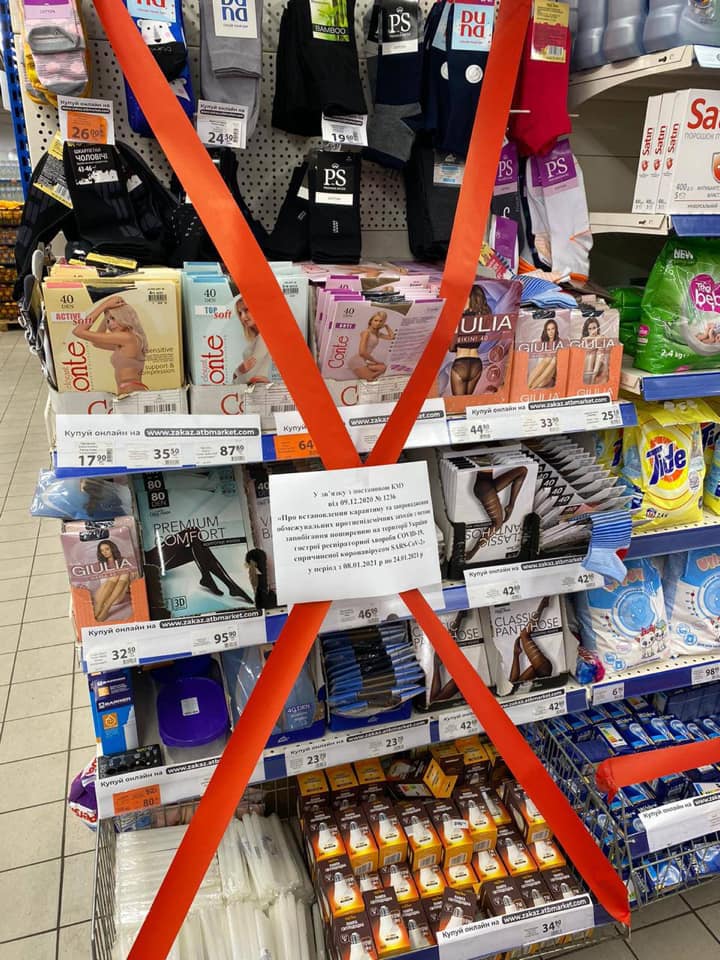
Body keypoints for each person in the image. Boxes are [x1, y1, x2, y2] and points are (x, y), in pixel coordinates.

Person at [72, 294, 148, 394]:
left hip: (131, 392)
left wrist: (104, 305)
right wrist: (107, 312)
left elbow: (78, 331)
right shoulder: (128, 340)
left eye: (113, 318)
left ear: (123, 316)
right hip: (130, 392)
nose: (110, 324)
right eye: (108, 321)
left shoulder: (126, 337)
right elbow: (96, 343)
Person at [465, 464, 529, 561]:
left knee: (523, 470)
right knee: (497, 524)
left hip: (487, 484)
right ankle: (472, 553)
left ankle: (511, 506)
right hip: (485, 488)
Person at [448, 284, 491, 396]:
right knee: (467, 401)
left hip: (460, 363)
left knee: (458, 403)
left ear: (470, 299)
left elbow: (451, 348)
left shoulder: (459, 318)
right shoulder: (484, 319)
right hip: (477, 364)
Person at [509, 596, 553, 684]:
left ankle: (516, 654)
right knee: (524, 635)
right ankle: (542, 606)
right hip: (543, 668)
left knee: (513, 685)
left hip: (540, 670)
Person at [232, 294, 273, 384]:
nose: (243, 317)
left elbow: (249, 373)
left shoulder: (264, 336)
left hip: (258, 387)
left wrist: (236, 373)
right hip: (255, 387)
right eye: (240, 313)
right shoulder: (259, 337)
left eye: (246, 310)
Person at [348, 311, 395, 381]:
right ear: (371, 321)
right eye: (376, 320)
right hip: (357, 360)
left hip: (364, 360)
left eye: (381, 321)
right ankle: (365, 374)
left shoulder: (377, 334)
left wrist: (386, 326)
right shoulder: (366, 333)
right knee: (371, 379)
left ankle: (365, 371)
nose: (378, 323)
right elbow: (362, 352)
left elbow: (392, 337)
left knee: (384, 367)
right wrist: (376, 361)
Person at [93, 539, 132, 622]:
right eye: (102, 550)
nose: (104, 552)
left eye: (107, 549)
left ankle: (106, 608)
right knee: (116, 575)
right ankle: (100, 606)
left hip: (116, 598)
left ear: (112, 549)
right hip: (101, 596)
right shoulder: (101, 563)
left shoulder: (123, 561)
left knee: (123, 572)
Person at [527, 316, 560, 390]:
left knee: (553, 359)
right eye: (548, 329)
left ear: (556, 329)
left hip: (549, 376)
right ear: (546, 331)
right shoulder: (542, 342)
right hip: (539, 371)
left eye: (553, 329)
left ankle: (530, 388)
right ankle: (529, 387)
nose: (551, 332)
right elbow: (541, 363)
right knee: (548, 358)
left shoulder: (560, 342)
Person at [581, 314, 608, 384]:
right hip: (584, 365)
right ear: (587, 330)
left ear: (598, 328)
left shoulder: (601, 337)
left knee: (594, 355)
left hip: (597, 365)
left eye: (594, 328)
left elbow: (601, 354)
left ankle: (592, 377)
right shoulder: (583, 339)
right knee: (589, 356)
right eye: (590, 329)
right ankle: (589, 378)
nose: (592, 331)